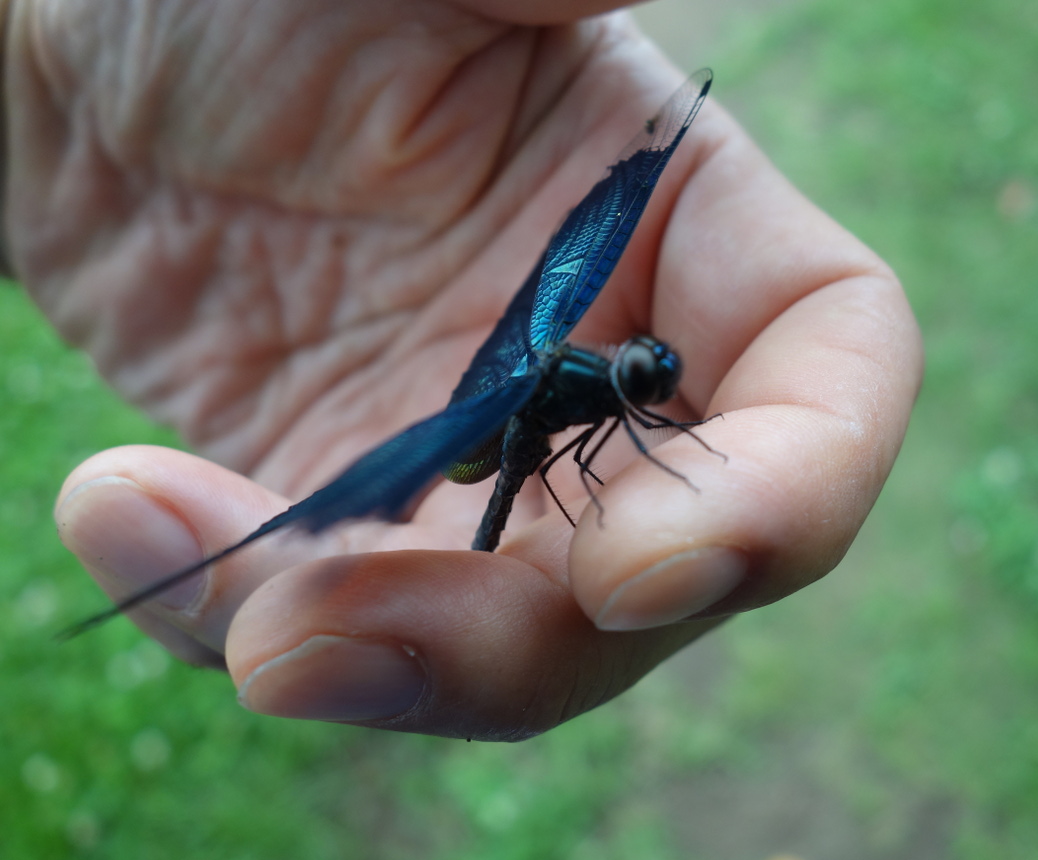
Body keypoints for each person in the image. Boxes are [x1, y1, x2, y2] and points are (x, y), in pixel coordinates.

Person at [3, 0, 922, 739]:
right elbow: (596, 446)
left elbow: (602, 438)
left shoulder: (604, 381)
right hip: (483, 447)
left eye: (648, 373)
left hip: (503, 413)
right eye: (645, 375)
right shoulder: (592, 385)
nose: (646, 380)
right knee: (548, 487)